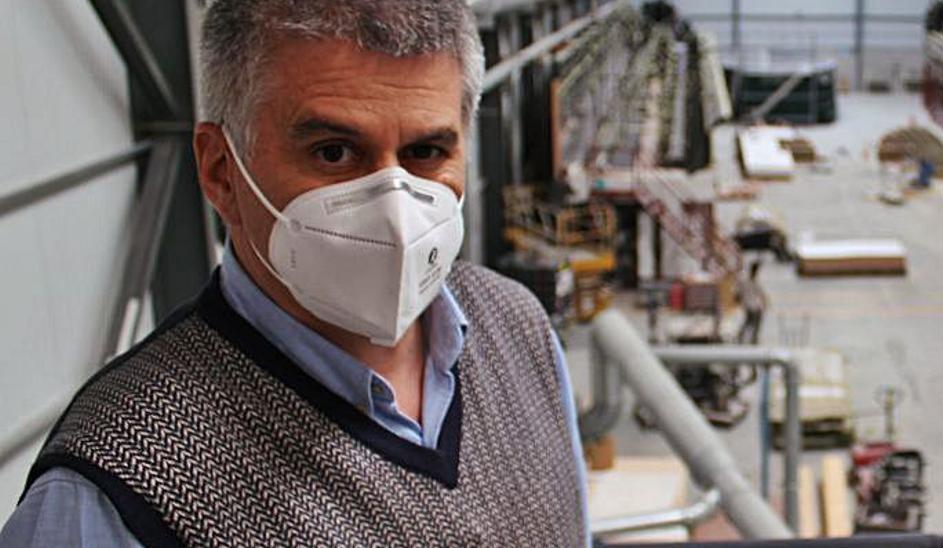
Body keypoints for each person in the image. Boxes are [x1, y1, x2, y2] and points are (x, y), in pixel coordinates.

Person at [0, 0, 588, 545]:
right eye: (334, 152)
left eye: (426, 153)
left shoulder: (517, 328)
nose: (393, 207)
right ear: (221, 172)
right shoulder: (118, 488)